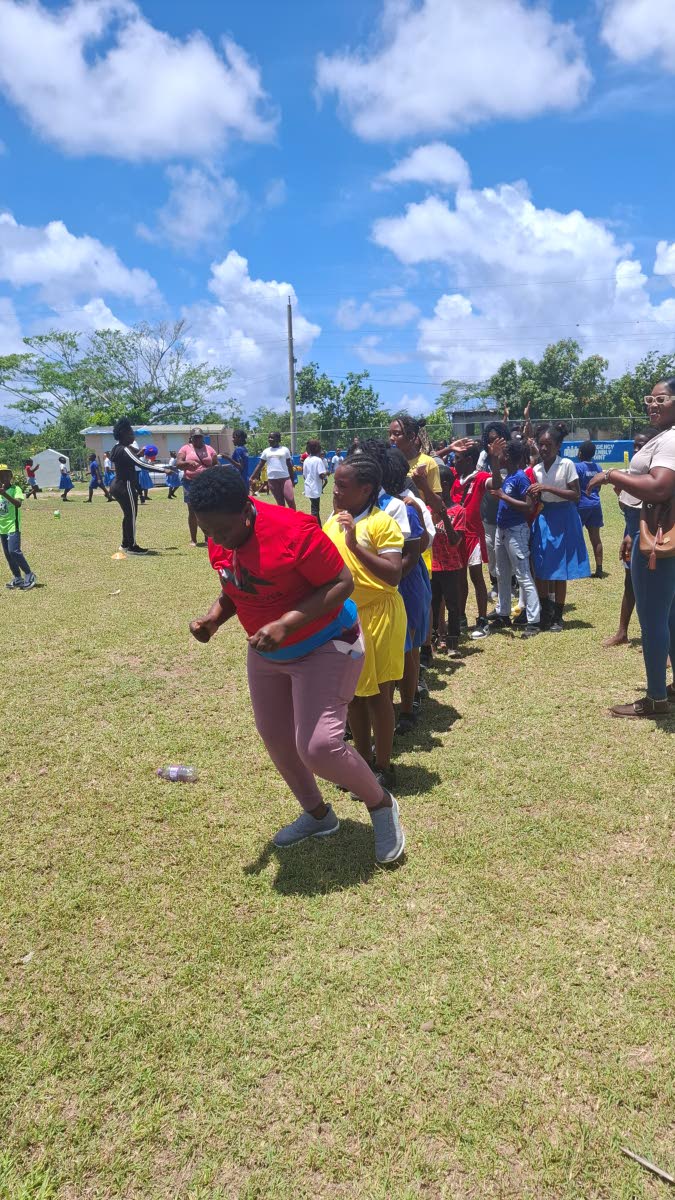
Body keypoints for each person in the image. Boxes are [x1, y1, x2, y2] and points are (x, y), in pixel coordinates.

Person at [187, 465, 405, 865]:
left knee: (319, 747)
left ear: (246, 509)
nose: (214, 539)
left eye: (220, 530)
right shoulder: (221, 535)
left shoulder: (294, 530)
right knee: (279, 741)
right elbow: (237, 584)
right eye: (206, 530)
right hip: (268, 651)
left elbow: (342, 584)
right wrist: (214, 618)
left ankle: (380, 804)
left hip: (327, 643)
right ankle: (318, 816)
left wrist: (287, 623)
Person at [586, 380, 675, 718]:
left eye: (661, 399)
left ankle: (655, 699)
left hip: (658, 540)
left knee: (653, 619)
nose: (653, 404)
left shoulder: (671, 440)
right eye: (649, 399)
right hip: (653, 531)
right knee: (670, 615)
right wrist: (629, 529)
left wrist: (612, 476)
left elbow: (658, 487)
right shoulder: (664, 436)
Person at [324, 455, 407, 793]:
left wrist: (354, 545)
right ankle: (359, 764)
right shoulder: (332, 521)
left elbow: (393, 574)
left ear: (366, 489)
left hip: (380, 616)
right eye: (334, 485)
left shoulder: (381, 523)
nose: (335, 492)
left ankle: (383, 765)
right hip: (345, 618)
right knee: (353, 697)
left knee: (379, 696)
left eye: (342, 486)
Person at [529, 423, 590, 632]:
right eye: (541, 444)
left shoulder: (567, 465)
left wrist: (547, 487)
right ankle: (545, 611)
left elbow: (576, 495)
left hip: (564, 516)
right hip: (545, 516)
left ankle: (557, 616)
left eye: (549, 444)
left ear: (558, 446)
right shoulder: (535, 469)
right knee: (541, 565)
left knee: (560, 568)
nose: (544, 448)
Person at [485, 437, 540, 638]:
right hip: (503, 530)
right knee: (502, 574)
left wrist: (503, 497)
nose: (500, 457)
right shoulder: (507, 476)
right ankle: (503, 613)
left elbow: (529, 506)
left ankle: (534, 620)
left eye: (502, 454)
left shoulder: (520, 477)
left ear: (508, 457)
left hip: (516, 530)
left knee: (523, 574)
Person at [603, 431, 653, 648]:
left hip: (652, 536)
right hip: (631, 532)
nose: (635, 451)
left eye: (640, 446)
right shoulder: (631, 476)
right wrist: (627, 535)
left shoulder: (657, 477)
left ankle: (664, 642)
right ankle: (622, 632)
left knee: (657, 588)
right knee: (630, 583)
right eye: (634, 446)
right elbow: (629, 510)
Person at [414, 464, 466, 657]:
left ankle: (453, 642)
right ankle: (434, 639)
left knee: (453, 604)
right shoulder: (425, 510)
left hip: (451, 565)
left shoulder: (459, 511)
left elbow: (455, 540)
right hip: (431, 565)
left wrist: (444, 514)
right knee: (432, 605)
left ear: (443, 485)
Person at [109, 418, 171, 554]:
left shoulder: (116, 448)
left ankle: (125, 544)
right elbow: (141, 464)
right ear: (124, 434)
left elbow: (129, 458)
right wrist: (164, 470)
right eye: (131, 433)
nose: (133, 435)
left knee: (127, 515)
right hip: (125, 486)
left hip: (116, 485)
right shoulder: (125, 449)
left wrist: (138, 453)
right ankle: (132, 546)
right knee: (131, 516)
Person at [175, 427, 219, 546]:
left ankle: (207, 538)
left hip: (206, 482)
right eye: (195, 437)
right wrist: (187, 463)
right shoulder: (185, 449)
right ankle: (193, 539)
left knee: (206, 509)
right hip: (190, 482)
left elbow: (216, 464)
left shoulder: (210, 449)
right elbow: (178, 464)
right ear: (191, 438)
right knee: (193, 510)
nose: (198, 439)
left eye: (200, 437)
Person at [0, 464, 37, 589]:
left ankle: (29, 574)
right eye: (0, 475)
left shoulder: (16, 489)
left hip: (13, 526)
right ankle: (17, 578)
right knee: (8, 555)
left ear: (11, 476)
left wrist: (4, 494)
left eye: (5, 474)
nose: (3, 477)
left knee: (14, 551)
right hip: (2, 528)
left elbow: (18, 504)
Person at [389, 414, 442, 495]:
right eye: (390, 434)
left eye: (396, 433)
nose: (391, 438)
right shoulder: (388, 462)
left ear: (411, 437)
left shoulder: (429, 463)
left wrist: (423, 486)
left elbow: (438, 506)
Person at [575, 441, 604, 577]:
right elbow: (600, 486)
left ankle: (578, 569)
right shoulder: (598, 467)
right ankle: (599, 569)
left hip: (581, 505)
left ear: (580, 453)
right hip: (595, 504)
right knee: (595, 537)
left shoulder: (577, 467)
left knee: (577, 537)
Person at [250, 432, 296, 509]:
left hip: (285, 479)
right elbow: (260, 465)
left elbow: (289, 466)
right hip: (272, 480)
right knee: (280, 503)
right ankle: (284, 520)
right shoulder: (266, 451)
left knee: (290, 500)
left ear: (278, 439)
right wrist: (252, 477)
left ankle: (295, 518)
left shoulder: (285, 449)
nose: (270, 439)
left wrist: (292, 479)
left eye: (272, 437)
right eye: (269, 437)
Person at [302, 439, 328, 525]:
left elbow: (304, 476)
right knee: (315, 510)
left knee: (315, 508)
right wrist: (327, 473)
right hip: (315, 488)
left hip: (308, 487)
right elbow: (321, 475)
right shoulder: (318, 460)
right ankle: (315, 526)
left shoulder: (306, 460)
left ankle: (318, 526)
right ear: (318, 449)